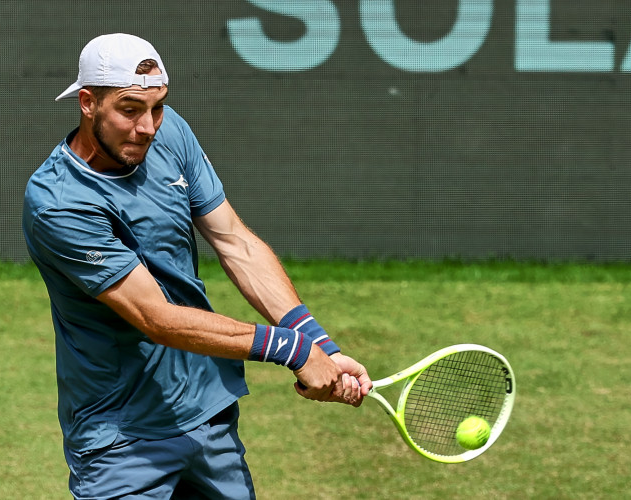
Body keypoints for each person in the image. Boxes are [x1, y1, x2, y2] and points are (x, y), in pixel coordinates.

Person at [22, 33, 372, 499]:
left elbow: (235, 243)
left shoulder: (169, 133)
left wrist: (318, 343)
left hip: (208, 418)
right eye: (129, 109)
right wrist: (291, 349)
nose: (147, 126)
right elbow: (156, 319)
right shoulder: (59, 203)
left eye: (158, 106)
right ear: (88, 103)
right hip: (121, 440)